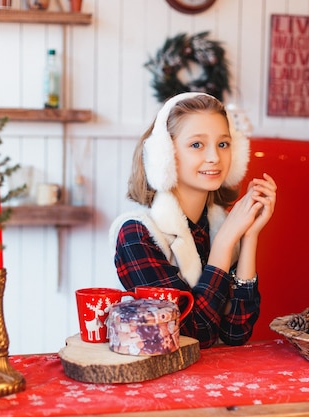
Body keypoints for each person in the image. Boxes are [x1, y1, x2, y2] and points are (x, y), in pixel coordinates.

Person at [109, 92, 277, 348]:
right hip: (156, 383)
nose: (214, 157)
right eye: (197, 144)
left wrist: (248, 235)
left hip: (213, 383)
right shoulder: (136, 235)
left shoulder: (220, 225)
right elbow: (193, 336)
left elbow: (236, 334)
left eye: (223, 144)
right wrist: (224, 243)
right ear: (164, 156)